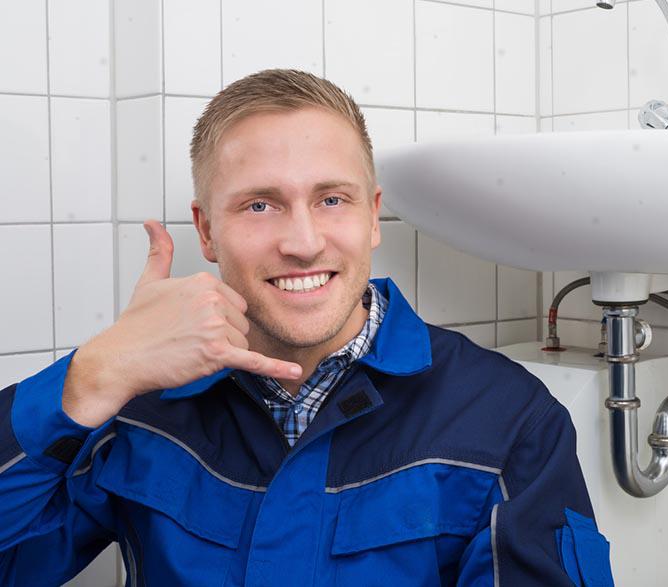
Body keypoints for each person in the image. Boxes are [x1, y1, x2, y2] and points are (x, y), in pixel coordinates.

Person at [0, 69, 614, 586]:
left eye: (331, 199)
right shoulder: (138, 403)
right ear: (207, 232)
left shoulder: (509, 421)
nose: (302, 242)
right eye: (260, 204)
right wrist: (96, 372)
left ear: (373, 218)